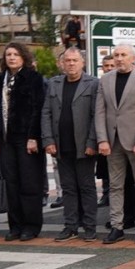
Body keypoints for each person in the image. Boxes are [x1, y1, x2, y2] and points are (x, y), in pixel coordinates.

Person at [95, 44, 135, 244]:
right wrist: (102, 139)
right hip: (112, 142)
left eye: (123, 55)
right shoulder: (105, 79)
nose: (119, 58)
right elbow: (100, 112)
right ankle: (116, 226)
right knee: (115, 186)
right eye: (116, 55)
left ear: (133, 58)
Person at [0, 43, 46, 241]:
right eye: (8, 54)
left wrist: (33, 137)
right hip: (5, 139)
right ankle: (15, 225)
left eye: (16, 54)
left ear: (23, 57)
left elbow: (37, 109)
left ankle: (31, 226)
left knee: (29, 183)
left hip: (26, 139)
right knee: (11, 184)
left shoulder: (33, 78)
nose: (12, 57)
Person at [42, 47, 99, 241]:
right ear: (62, 63)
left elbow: (96, 116)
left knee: (86, 187)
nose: (71, 64)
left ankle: (90, 226)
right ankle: (70, 226)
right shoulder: (54, 84)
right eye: (68, 60)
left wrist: (92, 142)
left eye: (75, 60)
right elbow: (46, 113)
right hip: (61, 145)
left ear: (82, 63)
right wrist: (48, 140)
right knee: (68, 188)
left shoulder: (93, 84)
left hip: (84, 146)